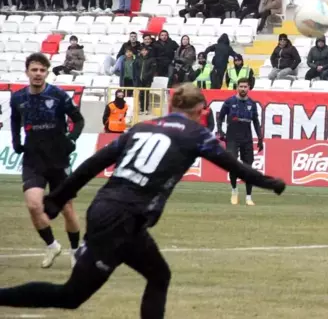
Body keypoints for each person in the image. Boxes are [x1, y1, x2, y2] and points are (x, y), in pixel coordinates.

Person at [0, 84, 285, 315]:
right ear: (201, 110)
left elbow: (93, 164)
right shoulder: (198, 134)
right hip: (123, 219)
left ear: (171, 106)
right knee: (72, 295)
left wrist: (57, 198)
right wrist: (271, 182)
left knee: (159, 275)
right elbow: (235, 166)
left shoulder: (141, 127)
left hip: (106, 209)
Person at [10, 53, 84, 269]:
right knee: (34, 205)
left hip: (57, 158)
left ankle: (75, 250)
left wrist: (71, 138)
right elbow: (15, 121)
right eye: (34, 70)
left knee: (67, 208)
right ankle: (52, 245)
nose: (38, 74)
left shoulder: (58, 96)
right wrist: (16, 142)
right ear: (27, 72)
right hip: (33, 157)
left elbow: (78, 120)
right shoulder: (18, 98)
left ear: (47, 72)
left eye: (42, 70)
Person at [217, 79, 265, 206]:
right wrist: (220, 131)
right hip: (232, 136)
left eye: (245, 86)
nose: (243, 89)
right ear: (237, 87)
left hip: (247, 137)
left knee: (248, 167)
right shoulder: (229, 101)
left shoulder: (252, 104)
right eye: (241, 86)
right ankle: (234, 191)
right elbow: (220, 117)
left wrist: (260, 138)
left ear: (249, 88)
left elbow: (255, 121)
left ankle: (249, 197)